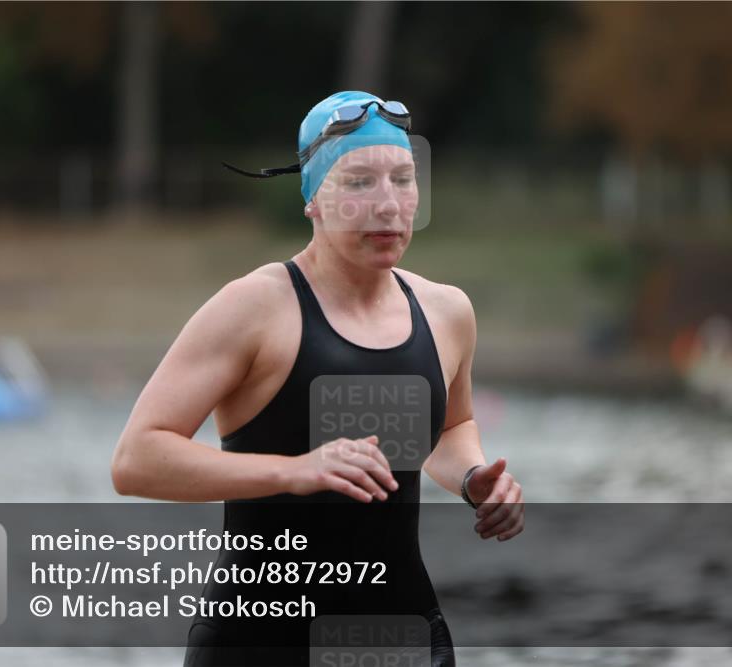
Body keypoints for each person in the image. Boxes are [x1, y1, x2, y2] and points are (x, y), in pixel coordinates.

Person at [111, 91, 524, 666]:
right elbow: (136, 460)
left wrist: (474, 478)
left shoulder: (446, 311)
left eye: (403, 180)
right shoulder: (255, 308)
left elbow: (453, 427)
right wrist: (294, 470)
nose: (387, 205)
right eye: (358, 183)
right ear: (313, 199)